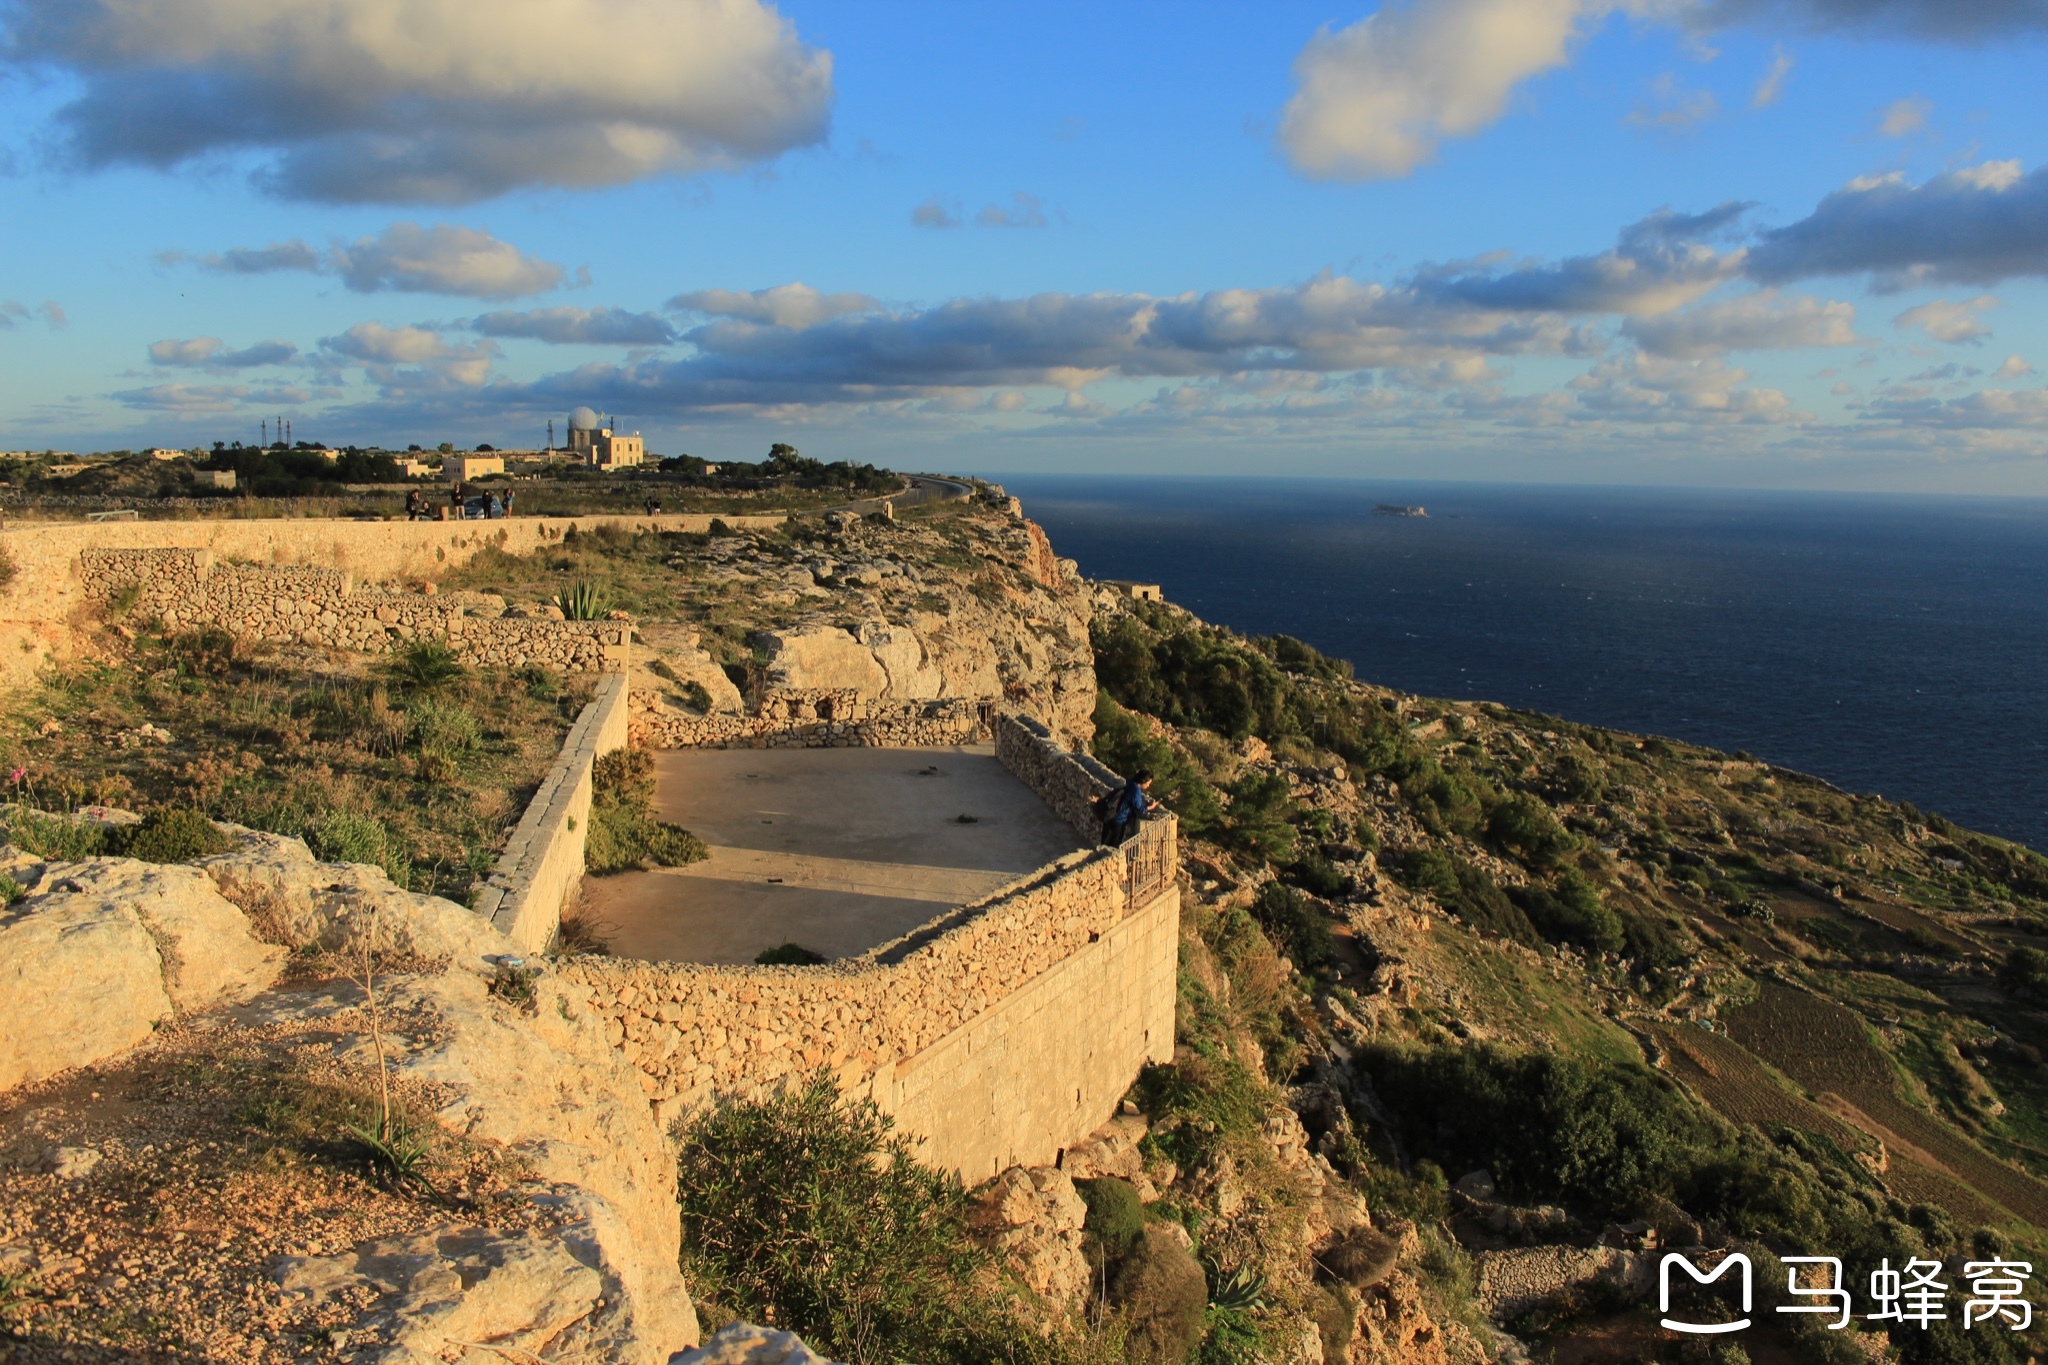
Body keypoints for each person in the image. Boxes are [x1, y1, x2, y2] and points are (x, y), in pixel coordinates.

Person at [1100, 769, 1158, 846]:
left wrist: (1145, 803)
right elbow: (1139, 809)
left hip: (1111, 816)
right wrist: (1151, 807)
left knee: (1104, 844)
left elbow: (1134, 801)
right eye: (1148, 783)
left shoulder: (1130, 783)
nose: (1148, 786)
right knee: (1113, 846)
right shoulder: (1135, 791)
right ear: (1143, 781)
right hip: (1119, 820)